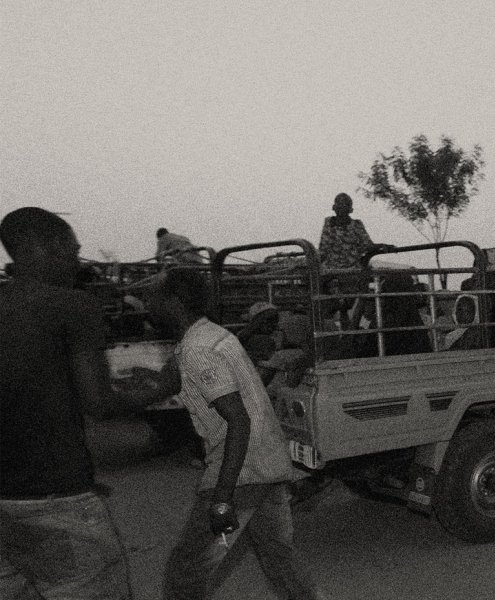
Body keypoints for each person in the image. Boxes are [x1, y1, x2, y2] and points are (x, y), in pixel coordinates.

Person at [115, 268, 320, 600]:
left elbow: (238, 420)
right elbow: (166, 383)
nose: (146, 303)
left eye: (154, 296)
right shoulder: (208, 336)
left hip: (242, 471)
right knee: (281, 562)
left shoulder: (197, 348)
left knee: (187, 573)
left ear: (175, 302)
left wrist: (222, 496)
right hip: (266, 464)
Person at [0, 207, 163, 599]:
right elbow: (100, 404)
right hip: (55, 497)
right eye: (72, 252)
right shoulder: (72, 306)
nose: (76, 262)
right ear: (42, 247)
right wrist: (163, 386)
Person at [318, 192, 385, 271]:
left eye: (344, 206)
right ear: (334, 207)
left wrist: (382, 246)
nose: (341, 209)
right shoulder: (329, 223)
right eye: (339, 205)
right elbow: (323, 250)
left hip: (352, 271)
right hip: (330, 271)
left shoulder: (357, 225)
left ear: (350, 210)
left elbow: (367, 245)